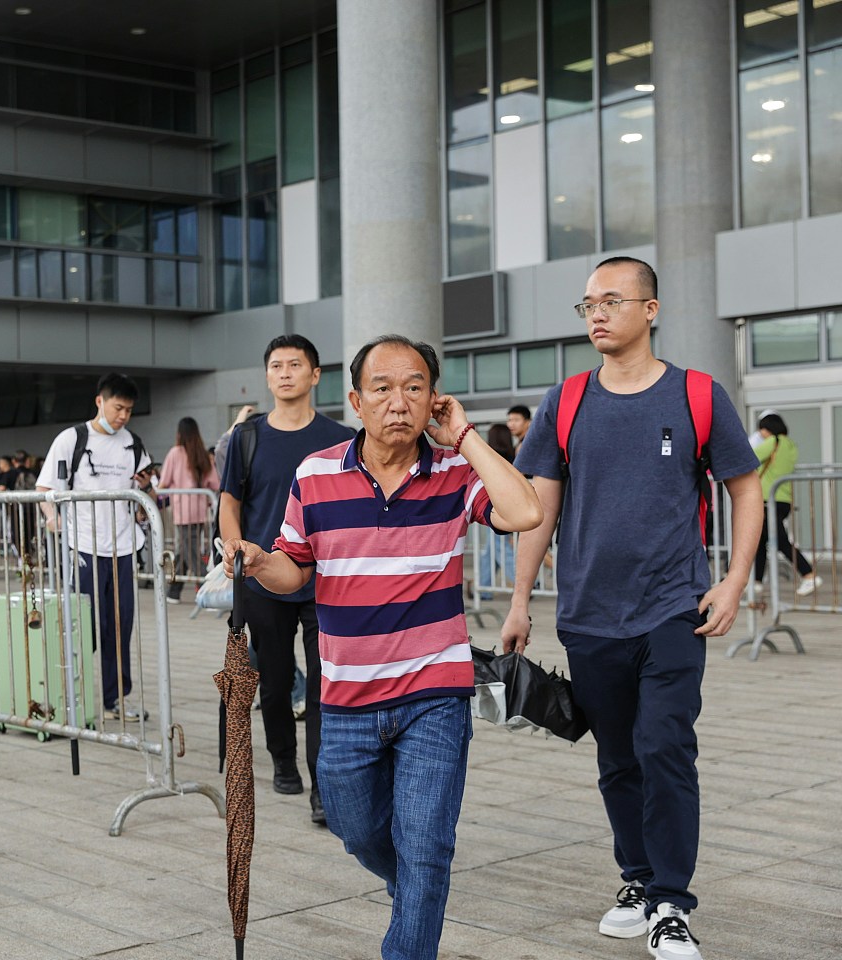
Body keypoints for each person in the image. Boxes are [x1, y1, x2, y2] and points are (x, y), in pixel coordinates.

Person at [224, 335, 542, 960]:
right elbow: (296, 569)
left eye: (415, 388)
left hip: (435, 695)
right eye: (383, 388)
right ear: (356, 400)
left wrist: (466, 438)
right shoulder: (315, 476)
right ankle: (416, 895)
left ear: (434, 401)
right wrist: (262, 564)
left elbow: (526, 510)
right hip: (345, 698)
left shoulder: (455, 474)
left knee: (427, 845)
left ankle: (414, 916)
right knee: (354, 827)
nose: (400, 402)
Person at [505, 257, 763, 960]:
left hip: (674, 608)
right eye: (587, 303)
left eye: (612, 301)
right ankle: (640, 879)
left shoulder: (697, 395)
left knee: (664, 747)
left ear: (650, 310)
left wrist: (734, 578)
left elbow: (746, 487)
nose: (596, 314)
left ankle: (672, 903)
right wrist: (521, 599)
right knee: (618, 757)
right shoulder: (567, 401)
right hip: (589, 614)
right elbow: (539, 507)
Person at [219, 334, 353, 823]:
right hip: (264, 582)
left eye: (295, 365)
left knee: (324, 687)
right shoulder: (247, 437)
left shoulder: (340, 438)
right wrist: (235, 549)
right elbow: (229, 504)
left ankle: (324, 787)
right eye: (276, 365)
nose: (285, 373)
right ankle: (282, 759)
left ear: (315, 375)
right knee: (275, 683)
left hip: (326, 583)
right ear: (268, 375)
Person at [36, 373, 153, 721]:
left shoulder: (133, 444)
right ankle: (77, 695)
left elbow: (149, 498)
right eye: (118, 408)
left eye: (129, 410)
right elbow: (45, 490)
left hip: (122, 548)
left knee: (120, 624)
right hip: (82, 548)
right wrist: (55, 522)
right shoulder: (72, 439)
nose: (123, 416)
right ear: (100, 401)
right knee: (81, 624)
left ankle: (115, 699)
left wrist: (147, 491)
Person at [752, 413, 819, 598]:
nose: (761, 433)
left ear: (768, 429)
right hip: (783, 498)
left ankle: (808, 574)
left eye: (762, 429)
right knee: (760, 540)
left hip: (768, 498)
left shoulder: (773, 441)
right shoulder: (790, 445)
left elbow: (751, 456)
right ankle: (756, 582)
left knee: (779, 540)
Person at [157, 416, 219, 604]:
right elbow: (214, 482)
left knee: (189, 552)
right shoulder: (201, 453)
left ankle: (209, 588)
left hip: (183, 511)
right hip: (199, 511)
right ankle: (173, 592)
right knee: (185, 551)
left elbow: (164, 482)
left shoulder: (175, 453)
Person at [477, 424, 518, 598]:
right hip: (510, 506)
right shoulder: (513, 456)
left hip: (493, 507)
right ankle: (484, 588)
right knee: (491, 550)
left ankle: (523, 584)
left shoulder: (490, 458)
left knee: (500, 547)